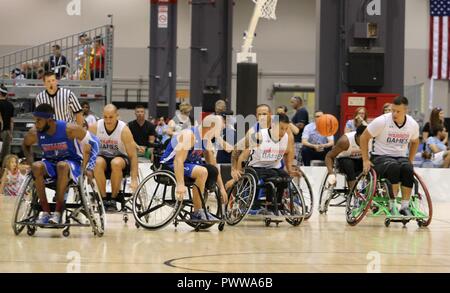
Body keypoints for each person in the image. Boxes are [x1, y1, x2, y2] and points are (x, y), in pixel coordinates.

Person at [22, 104, 99, 224]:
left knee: (62, 166)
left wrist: (89, 167)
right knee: (37, 167)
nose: (35, 124)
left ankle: (58, 212)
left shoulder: (69, 129)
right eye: (34, 120)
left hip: (72, 163)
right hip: (50, 163)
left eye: (39, 120)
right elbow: (25, 145)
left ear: (50, 120)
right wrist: (31, 163)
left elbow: (95, 143)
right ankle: (46, 212)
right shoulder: (35, 132)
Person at [360, 96, 420, 216]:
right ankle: (392, 205)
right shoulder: (382, 121)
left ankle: (404, 206)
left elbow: (415, 141)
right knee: (394, 167)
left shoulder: (412, 124)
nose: (394, 113)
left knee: (408, 168)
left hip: (400, 157)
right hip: (380, 157)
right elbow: (363, 137)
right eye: (393, 110)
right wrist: (365, 160)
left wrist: (410, 160)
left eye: (398, 111)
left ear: (405, 111)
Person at [160, 115, 228, 220]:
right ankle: (197, 212)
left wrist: (222, 188)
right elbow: (178, 161)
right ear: (211, 127)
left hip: (188, 164)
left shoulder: (206, 139)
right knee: (202, 171)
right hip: (170, 164)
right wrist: (180, 184)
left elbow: (213, 165)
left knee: (212, 170)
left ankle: (202, 201)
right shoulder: (189, 135)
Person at [234, 113, 300, 215]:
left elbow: (288, 153)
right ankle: (252, 204)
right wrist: (236, 169)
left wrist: (290, 169)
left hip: (273, 168)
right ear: (273, 125)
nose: (283, 131)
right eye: (281, 128)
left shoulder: (286, 137)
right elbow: (240, 151)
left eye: (285, 128)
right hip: (255, 167)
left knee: (285, 177)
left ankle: (275, 204)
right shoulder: (259, 136)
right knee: (258, 179)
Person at [89, 104, 138, 212]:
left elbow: (133, 156)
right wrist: (86, 170)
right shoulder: (95, 127)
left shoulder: (124, 130)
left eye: (111, 117)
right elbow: (87, 151)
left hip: (120, 158)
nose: (108, 120)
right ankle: (104, 199)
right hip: (102, 158)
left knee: (116, 163)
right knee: (96, 162)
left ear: (117, 116)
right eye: (105, 117)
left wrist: (134, 179)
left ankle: (113, 199)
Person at [325, 125, 367, 192]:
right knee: (348, 163)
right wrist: (331, 174)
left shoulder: (371, 139)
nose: (365, 141)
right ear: (357, 136)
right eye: (362, 139)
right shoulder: (345, 141)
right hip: (343, 163)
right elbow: (329, 156)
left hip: (361, 162)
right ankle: (353, 192)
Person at [290, 96, 309, 165]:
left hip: (299, 141)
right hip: (295, 140)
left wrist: (290, 124)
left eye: (292, 102)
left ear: (298, 102)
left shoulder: (302, 111)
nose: (291, 104)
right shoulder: (298, 112)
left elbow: (301, 125)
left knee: (297, 162)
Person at [0, 84, 15, 167]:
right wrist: (11, 133)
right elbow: (11, 121)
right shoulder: (10, 105)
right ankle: (4, 174)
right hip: (7, 132)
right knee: (5, 156)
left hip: (1, 132)